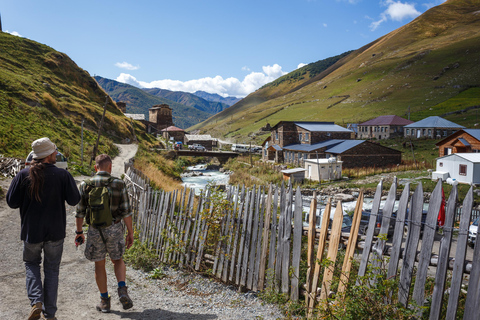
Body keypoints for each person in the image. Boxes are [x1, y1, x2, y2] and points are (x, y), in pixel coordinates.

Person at [6, 137, 81, 320]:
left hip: (32, 231)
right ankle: (50, 313)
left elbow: (11, 202)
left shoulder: (23, 174)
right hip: (55, 232)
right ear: (48, 155)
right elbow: (74, 200)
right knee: (52, 270)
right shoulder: (63, 175)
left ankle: (36, 302)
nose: (56, 153)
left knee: (31, 264)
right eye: (54, 151)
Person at [74, 154, 134, 313]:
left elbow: (79, 212)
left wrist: (79, 232)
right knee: (118, 260)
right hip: (114, 228)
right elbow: (127, 212)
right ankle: (122, 289)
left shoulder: (85, 184)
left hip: (95, 230)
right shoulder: (119, 184)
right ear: (110, 167)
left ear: (95, 168)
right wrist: (130, 233)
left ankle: (105, 301)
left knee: (99, 264)